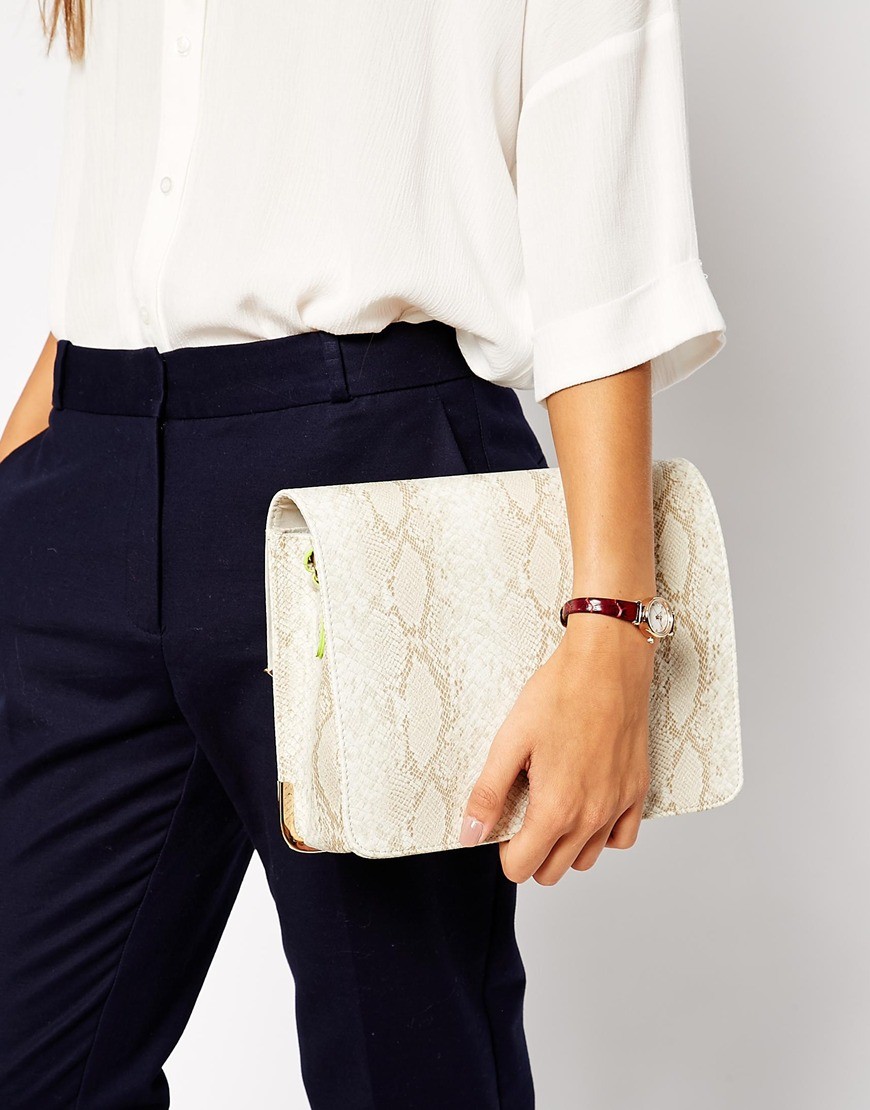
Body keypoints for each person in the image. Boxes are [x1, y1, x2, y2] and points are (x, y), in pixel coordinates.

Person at [0, 1, 726, 1107]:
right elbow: (135, 208)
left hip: (368, 476)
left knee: (408, 1066)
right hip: (87, 459)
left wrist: (614, 620)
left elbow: (599, 218)